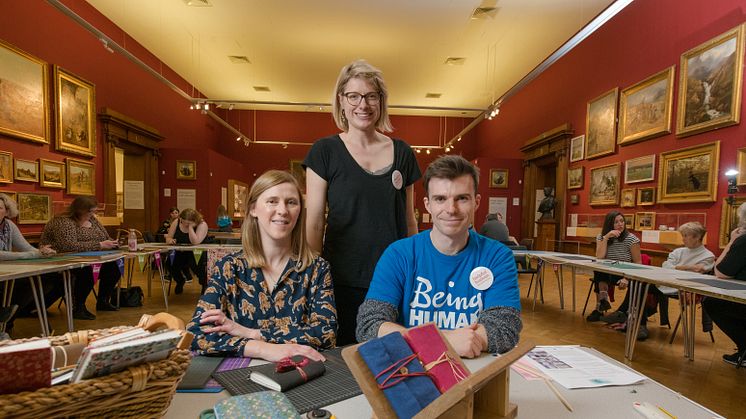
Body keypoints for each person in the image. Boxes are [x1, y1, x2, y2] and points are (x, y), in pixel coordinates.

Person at [356, 155, 522, 358]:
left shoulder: (498, 256)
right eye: (440, 199)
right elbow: (370, 325)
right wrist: (445, 341)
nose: (451, 209)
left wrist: (413, 339)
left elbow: (505, 328)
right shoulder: (399, 254)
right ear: (427, 204)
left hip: (476, 372)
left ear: (476, 202)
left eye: (462, 198)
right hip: (412, 372)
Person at [304, 59, 421, 345]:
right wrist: (310, 276)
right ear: (341, 101)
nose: (363, 105)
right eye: (353, 96)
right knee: (345, 358)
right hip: (341, 277)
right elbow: (315, 220)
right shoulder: (325, 151)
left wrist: (418, 267)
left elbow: (409, 219)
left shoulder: (402, 152)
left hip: (393, 277)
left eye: (371, 96)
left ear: (381, 102)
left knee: (393, 356)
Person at [187, 170, 336, 360]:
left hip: (300, 377)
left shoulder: (317, 269)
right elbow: (196, 333)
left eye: (291, 202)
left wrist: (252, 333)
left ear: (300, 210)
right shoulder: (229, 267)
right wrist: (263, 349)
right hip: (238, 378)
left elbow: (325, 335)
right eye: (272, 201)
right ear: (253, 209)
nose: (283, 210)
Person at [600, 222, 715, 326]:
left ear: (697, 237)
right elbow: (666, 266)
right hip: (666, 282)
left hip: (685, 289)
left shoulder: (708, 256)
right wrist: (687, 267)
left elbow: (695, 275)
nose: (683, 239)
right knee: (638, 283)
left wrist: (677, 268)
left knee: (641, 285)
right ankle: (634, 320)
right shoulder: (679, 251)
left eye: (686, 235)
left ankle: (630, 318)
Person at [40, 195, 121, 320]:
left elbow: (105, 237)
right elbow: (67, 245)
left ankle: (103, 300)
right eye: (91, 211)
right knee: (87, 270)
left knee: (114, 265)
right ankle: (79, 307)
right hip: (61, 259)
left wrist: (113, 243)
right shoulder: (63, 221)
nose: (93, 214)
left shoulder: (92, 220)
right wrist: (99, 245)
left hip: (89, 257)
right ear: (81, 210)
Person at [0, 193, 58, 331]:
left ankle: (8, 319)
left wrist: (42, 252)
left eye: (0, 208)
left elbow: (26, 248)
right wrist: (32, 254)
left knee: (45, 279)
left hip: (7, 272)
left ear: (7, 211)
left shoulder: (9, 225)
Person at [703, 202, 746, 366]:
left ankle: (744, 347)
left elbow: (720, 272)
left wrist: (732, 241)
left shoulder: (743, 241)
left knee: (712, 302)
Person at [586, 211, 641, 324]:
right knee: (599, 269)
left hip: (624, 273)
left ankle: (601, 305)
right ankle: (602, 305)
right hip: (607, 271)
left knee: (600, 274)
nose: (620, 224)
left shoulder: (631, 239)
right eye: (616, 222)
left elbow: (638, 262)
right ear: (609, 224)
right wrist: (606, 238)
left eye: (622, 221)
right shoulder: (601, 237)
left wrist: (627, 278)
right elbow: (600, 257)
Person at [165, 208, 209, 294]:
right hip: (180, 252)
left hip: (197, 253)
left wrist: (190, 228)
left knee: (196, 264)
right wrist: (170, 240)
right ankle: (180, 280)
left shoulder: (202, 224)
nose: (183, 223)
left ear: (193, 221)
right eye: (182, 221)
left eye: (187, 222)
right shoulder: (177, 222)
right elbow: (168, 237)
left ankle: (204, 283)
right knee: (169, 262)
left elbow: (195, 242)